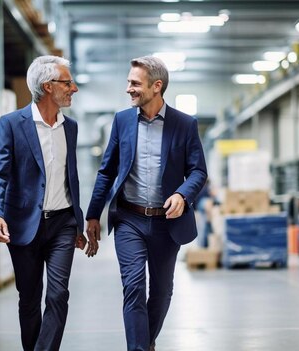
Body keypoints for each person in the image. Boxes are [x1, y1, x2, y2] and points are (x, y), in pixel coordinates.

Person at [85, 56, 208, 351]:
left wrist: (182, 194)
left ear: (157, 86)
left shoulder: (184, 124)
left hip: (167, 222)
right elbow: (107, 170)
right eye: (129, 82)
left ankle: (146, 341)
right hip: (130, 218)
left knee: (163, 291)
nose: (128, 88)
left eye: (134, 83)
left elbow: (198, 171)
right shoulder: (122, 121)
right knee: (134, 287)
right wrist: (92, 216)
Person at [0, 55, 95, 351]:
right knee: (29, 299)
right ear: (48, 86)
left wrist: (78, 221)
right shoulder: (12, 124)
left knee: (58, 295)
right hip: (23, 224)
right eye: (68, 82)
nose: (74, 88)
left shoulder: (69, 127)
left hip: (62, 223)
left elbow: (71, 177)